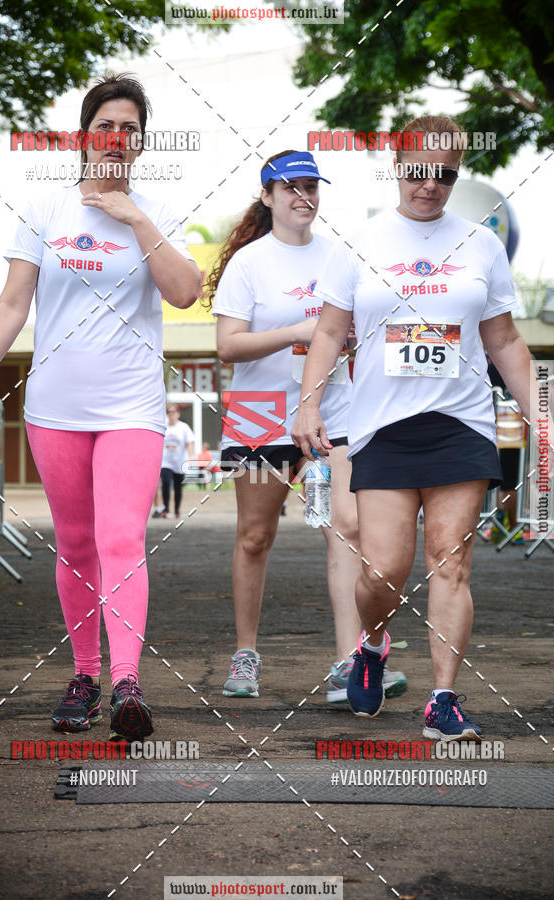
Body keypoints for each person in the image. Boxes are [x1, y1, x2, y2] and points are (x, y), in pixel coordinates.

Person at [292, 115, 536, 741]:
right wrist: (309, 404)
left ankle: (444, 700)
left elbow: (504, 340)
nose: (431, 185)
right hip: (382, 426)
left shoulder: (479, 245)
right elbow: (327, 332)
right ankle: (372, 645)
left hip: (460, 422)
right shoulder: (362, 242)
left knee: (450, 563)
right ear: (398, 165)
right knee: (383, 572)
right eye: (420, 170)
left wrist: (541, 415)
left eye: (446, 174)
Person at [0, 73, 201, 739]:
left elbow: (186, 292)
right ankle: (84, 675)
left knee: (121, 539)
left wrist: (134, 217)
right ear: (83, 136)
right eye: (107, 125)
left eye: (131, 129)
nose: (118, 138)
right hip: (55, 407)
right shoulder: (46, 210)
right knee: (74, 544)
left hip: (131, 404)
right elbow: (14, 301)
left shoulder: (155, 210)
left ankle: (128, 682)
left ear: (140, 144)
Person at [206, 149, 407, 702]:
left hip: (333, 404)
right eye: (290, 187)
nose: (303, 196)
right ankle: (246, 653)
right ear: (267, 197)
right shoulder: (249, 263)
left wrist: (345, 338)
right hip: (259, 409)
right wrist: (302, 328)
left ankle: (349, 663)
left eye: (312, 186)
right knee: (254, 537)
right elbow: (227, 346)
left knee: (347, 526)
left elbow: (359, 327)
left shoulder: (341, 257)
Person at [487, 359, 525, 544]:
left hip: (490, 431)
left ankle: (502, 522)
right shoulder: (513, 365)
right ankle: (513, 526)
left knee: (501, 481)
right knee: (510, 481)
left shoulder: (487, 368)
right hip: (510, 431)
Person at [160, 404, 195, 517]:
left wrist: (191, 458)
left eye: (173, 412)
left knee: (177, 487)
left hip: (179, 462)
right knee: (165, 482)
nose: (171, 414)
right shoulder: (163, 426)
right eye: (169, 412)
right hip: (166, 461)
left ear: (178, 414)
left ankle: (176, 510)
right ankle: (166, 509)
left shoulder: (183, 427)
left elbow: (189, 443)